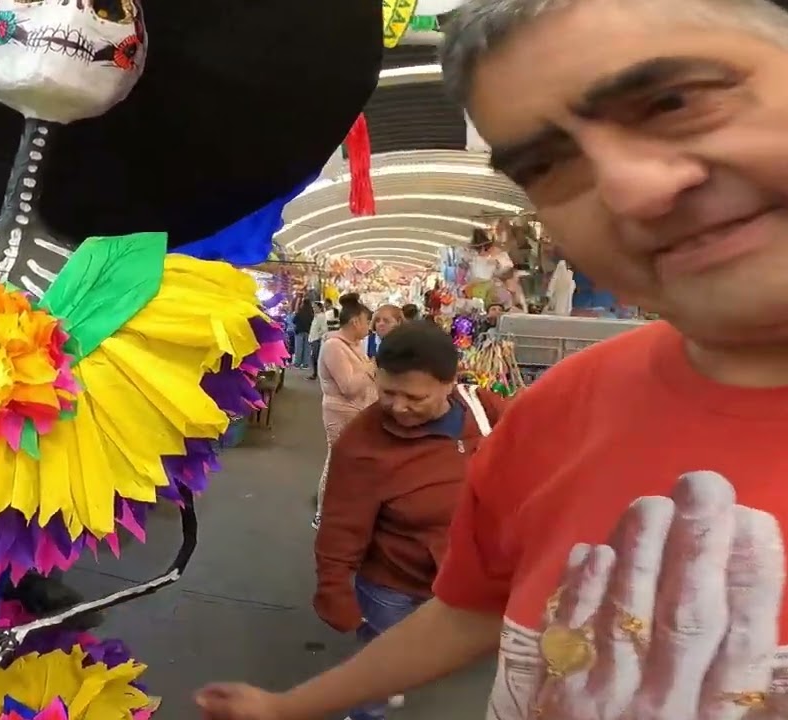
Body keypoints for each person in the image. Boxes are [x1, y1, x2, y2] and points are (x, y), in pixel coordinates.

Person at [196, 0, 788, 718]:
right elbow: (472, 606)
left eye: (675, 100)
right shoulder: (564, 406)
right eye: (548, 164)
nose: (633, 189)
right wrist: (292, 706)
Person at [316, 323, 507, 720]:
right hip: (393, 581)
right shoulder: (363, 444)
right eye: (387, 392)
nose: (398, 406)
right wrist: (334, 588)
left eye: (414, 396)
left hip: (464, 576)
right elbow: (341, 525)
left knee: (435, 644)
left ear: (450, 384)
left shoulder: (484, 410)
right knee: (381, 658)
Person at [312, 294, 376, 530]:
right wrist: (371, 367)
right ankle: (322, 513)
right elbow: (348, 387)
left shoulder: (355, 346)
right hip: (341, 413)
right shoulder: (334, 347)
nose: (370, 328)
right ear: (356, 321)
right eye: (368, 322)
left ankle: (340, 511)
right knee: (336, 462)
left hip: (357, 412)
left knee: (350, 464)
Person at [307, 301, 329, 380]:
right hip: (313, 339)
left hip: (317, 340)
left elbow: (324, 329)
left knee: (316, 357)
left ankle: (316, 374)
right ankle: (315, 373)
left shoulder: (321, 317)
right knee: (314, 357)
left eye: (315, 307)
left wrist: (318, 336)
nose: (313, 309)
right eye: (313, 307)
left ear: (319, 308)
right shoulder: (316, 316)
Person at [292, 298, 315, 369]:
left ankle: (297, 363)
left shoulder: (300, 312)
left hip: (299, 331)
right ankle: (305, 364)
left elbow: (294, 321)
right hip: (308, 332)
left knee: (299, 348)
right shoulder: (312, 313)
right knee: (307, 348)